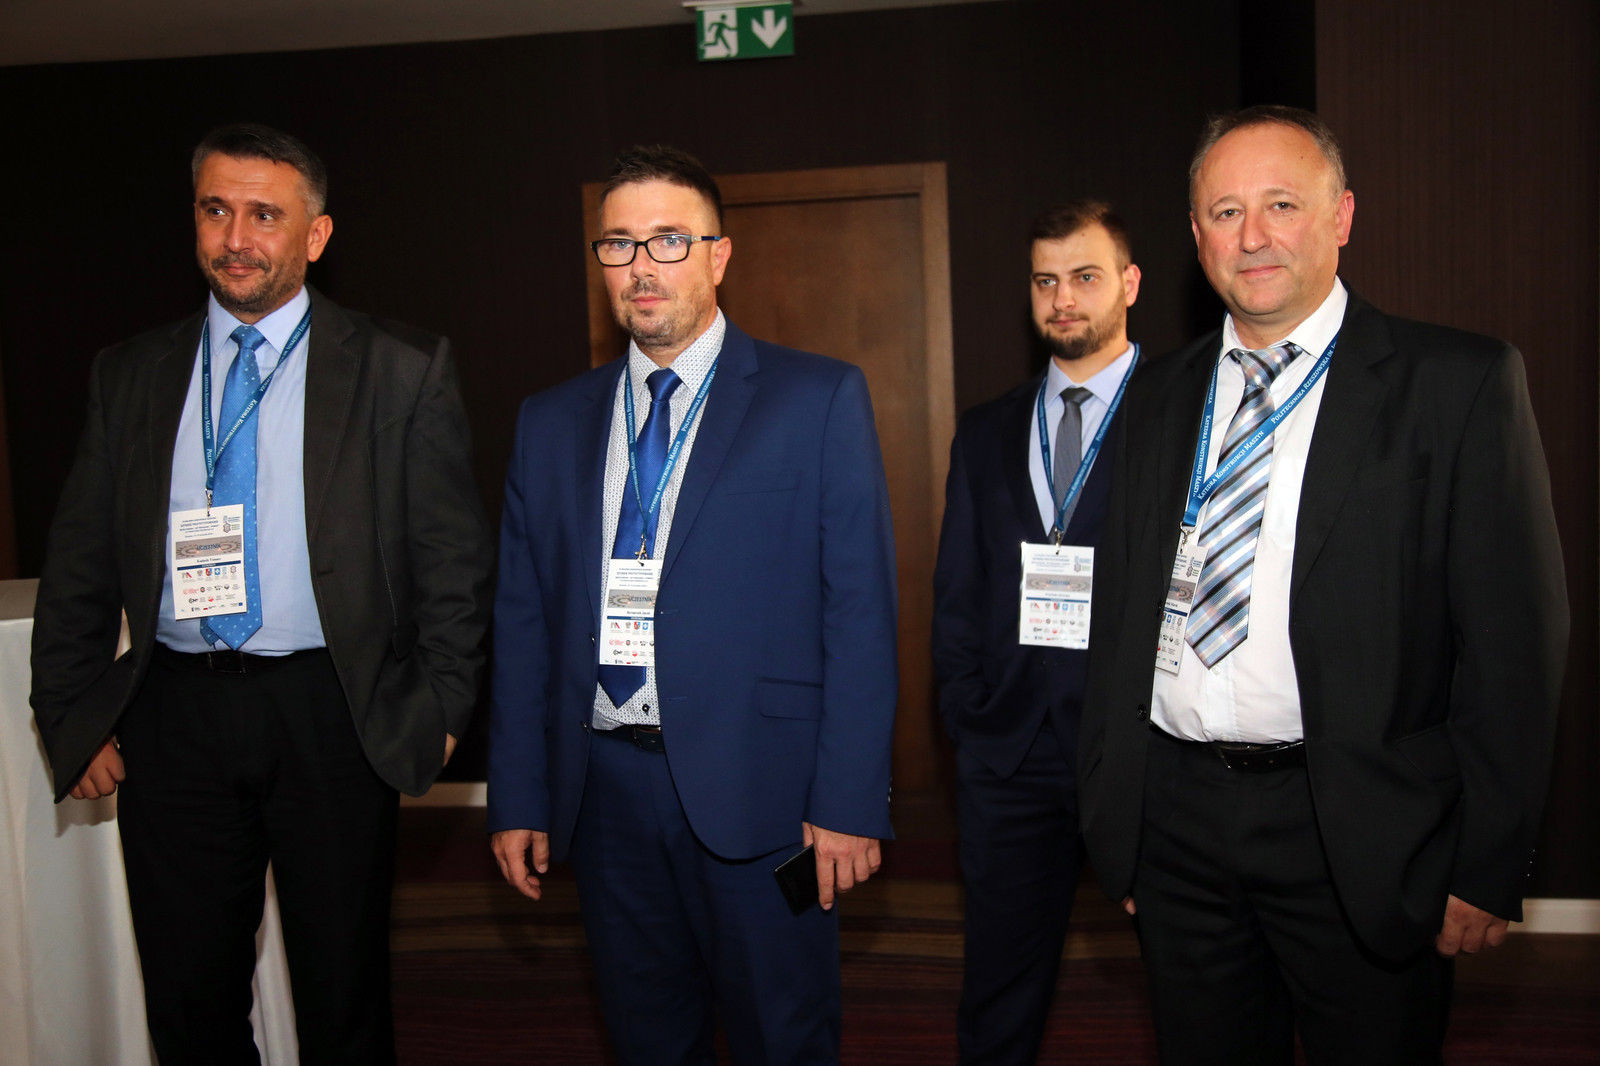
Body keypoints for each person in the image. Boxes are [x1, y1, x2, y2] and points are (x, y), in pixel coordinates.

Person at [1079, 105, 1568, 1063]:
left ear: (1341, 216)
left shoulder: (1456, 384)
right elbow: (1120, 621)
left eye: (1281, 204)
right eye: (1226, 212)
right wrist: (1117, 823)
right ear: (1196, 236)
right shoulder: (1156, 397)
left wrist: (1487, 861)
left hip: (1362, 828)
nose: (1252, 235)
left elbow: (1515, 646)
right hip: (1177, 823)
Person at [30, 123, 494, 1065]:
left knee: (342, 1000)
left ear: (314, 235)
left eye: (264, 215)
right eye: (216, 210)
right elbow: (78, 559)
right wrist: (70, 711)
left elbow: (454, 564)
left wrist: (443, 711)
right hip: (173, 718)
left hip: (334, 714)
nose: (236, 237)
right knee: (189, 1002)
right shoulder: (131, 373)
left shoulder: (402, 369)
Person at [487, 145, 898, 1065]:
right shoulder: (549, 422)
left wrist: (849, 798)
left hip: (767, 797)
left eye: (669, 240)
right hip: (604, 798)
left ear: (718, 255)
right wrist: (517, 792)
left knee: (782, 1039)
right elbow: (522, 623)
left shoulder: (817, 398)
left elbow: (860, 613)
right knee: (646, 1041)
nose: (643, 266)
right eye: (619, 244)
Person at [932, 201, 1142, 1064]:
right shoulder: (986, 430)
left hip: (1141, 755)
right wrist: (967, 715)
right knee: (999, 995)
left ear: (1129, 284)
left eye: (1085, 277)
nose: (1063, 299)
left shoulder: (1182, 415)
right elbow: (958, 593)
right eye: (1045, 280)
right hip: (1009, 756)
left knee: (1196, 985)